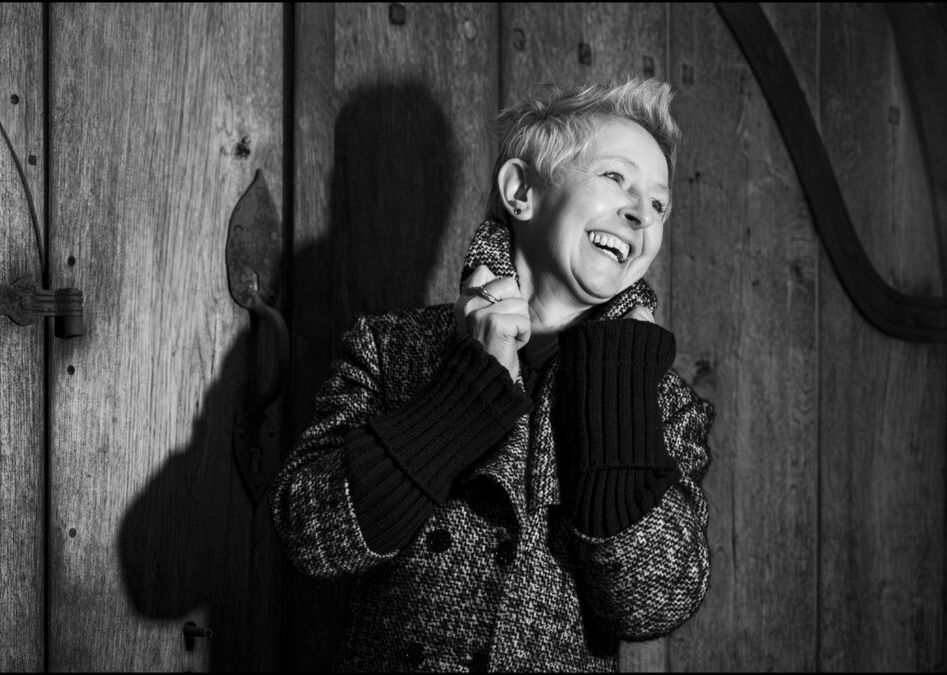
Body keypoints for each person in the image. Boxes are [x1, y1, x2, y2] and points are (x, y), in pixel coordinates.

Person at [269, 76, 715, 672]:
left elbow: (656, 606)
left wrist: (618, 396)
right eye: (615, 178)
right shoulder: (392, 348)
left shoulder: (662, 403)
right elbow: (309, 534)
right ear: (521, 191)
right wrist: (465, 394)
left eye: (659, 205)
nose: (640, 214)